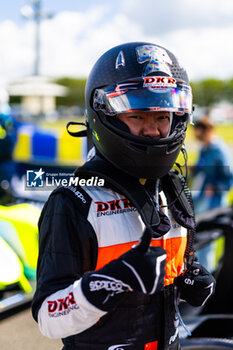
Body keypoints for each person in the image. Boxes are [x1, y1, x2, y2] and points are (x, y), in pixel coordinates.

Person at [31, 42, 216, 350]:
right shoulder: (74, 203)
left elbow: (164, 279)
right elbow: (49, 317)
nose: (153, 130)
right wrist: (111, 282)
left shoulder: (173, 192)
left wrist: (189, 282)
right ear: (107, 115)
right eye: (138, 116)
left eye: (162, 117)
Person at [192, 116, 233, 213]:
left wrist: (214, 187)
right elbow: (203, 169)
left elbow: (229, 180)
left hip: (214, 203)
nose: (198, 138)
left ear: (208, 131)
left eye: (200, 135)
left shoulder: (220, 151)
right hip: (200, 196)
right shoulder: (204, 148)